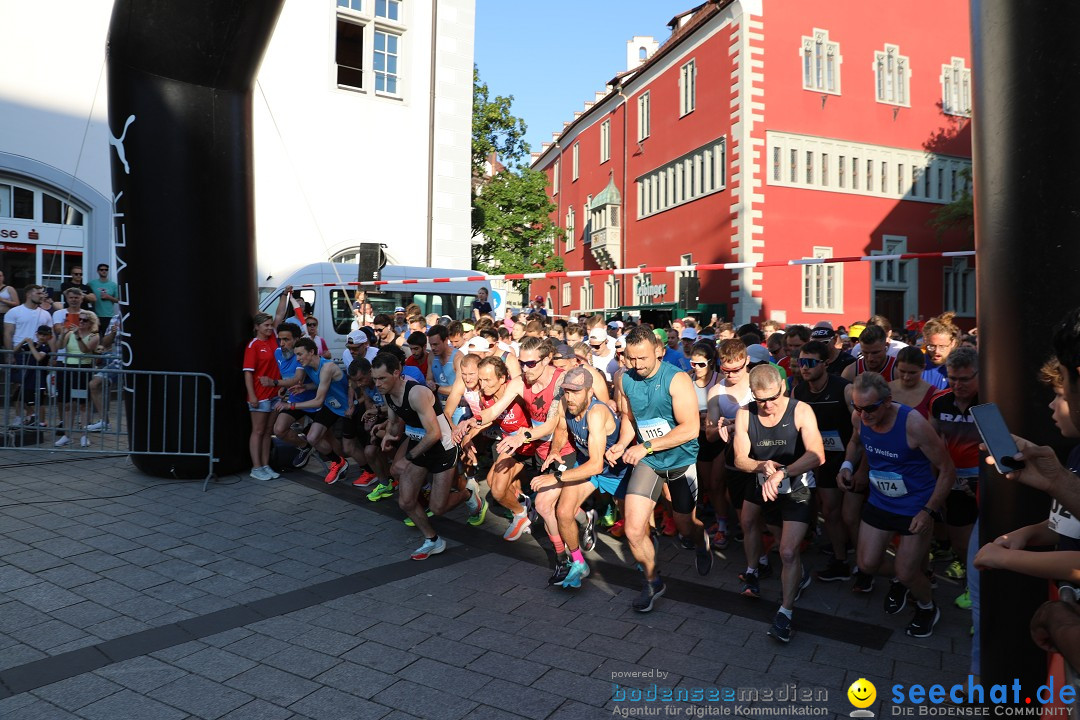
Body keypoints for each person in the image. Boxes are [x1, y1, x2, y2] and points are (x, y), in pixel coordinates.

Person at [838, 371, 955, 638]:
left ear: (888, 401)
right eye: (858, 407)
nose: (864, 415)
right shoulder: (860, 417)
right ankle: (907, 578)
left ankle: (926, 607)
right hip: (880, 500)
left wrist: (929, 511)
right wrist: (847, 465)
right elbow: (856, 442)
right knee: (866, 564)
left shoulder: (913, 424)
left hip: (915, 505)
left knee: (906, 571)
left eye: (870, 408)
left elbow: (947, 470)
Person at [607, 326, 708, 613]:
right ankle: (653, 581)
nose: (637, 365)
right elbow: (629, 419)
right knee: (634, 528)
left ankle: (701, 541)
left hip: (680, 459)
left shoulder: (677, 380)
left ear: (659, 352)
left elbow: (691, 429)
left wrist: (645, 446)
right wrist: (623, 443)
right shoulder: (624, 379)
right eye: (631, 359)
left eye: (643, 359)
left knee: (685, 525)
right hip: (649, 461)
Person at [733, 363, 825, 642]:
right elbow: (740, 458)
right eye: (760, 400)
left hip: (796, 486)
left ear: (782, 388)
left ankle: (785, 612)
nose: (767, 405)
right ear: (752, 394)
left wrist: (784, 472)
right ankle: (759, 571)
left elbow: (817, 455)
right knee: (751, 523)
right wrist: (761, 466)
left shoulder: (800, 410)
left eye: (773, 399)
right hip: (764, 481)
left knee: (786, 552)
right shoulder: (744, 414)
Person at [373, 351, 480, 560]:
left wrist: (409, 457)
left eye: (382, 378)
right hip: (420, 443)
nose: (377, 383)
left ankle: (467, 494)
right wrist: (387, 435)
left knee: (438, 508)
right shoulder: (387, 392)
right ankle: (433, 540)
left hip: (442, 447)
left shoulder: (416, 393)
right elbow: (394, 421)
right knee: (405, 502)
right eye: (375, 378)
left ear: (396, 373)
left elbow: (434, 434)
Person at [530, 366, 631, 588]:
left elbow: (596, 465)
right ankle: (578, 563)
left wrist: (557, 477)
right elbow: (561, 430)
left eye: (576, 392)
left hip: (615, 471)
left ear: (589, 392)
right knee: (563, 512)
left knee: (636, 530)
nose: (570, 397)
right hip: (588, 467)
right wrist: (555, 450)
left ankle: (649, 560)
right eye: (566, 391)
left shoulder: (596, 413)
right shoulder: (566, 404)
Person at [793, 340, 855, 583]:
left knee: (849, 515)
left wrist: (855, 462)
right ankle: (841, 560)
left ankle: (860, 564)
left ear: (825, 363)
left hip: (848, 457)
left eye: (809, 363)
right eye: (800, 362)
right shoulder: (798, 391)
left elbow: (861, 428)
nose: (804, 368)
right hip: (818, 459)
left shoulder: (844, 389)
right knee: (830, 512)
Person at [929, 346, 981, 605]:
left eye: (965, 379)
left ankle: (985, 589)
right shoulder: (939, 401)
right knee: (960, 541)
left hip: (987, 482)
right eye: (952, 378)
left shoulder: (991, 401)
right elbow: (931, 442)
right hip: (953, 480)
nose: (957, 384)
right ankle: (974, 584)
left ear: (979, 375)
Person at [261, 324, 319, 470]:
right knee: (279, 430)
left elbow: (297, 379)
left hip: (314, 402)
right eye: (280, 340)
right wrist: (282, 386)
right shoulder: (277, 353)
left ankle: (339, 463)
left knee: (325, 442)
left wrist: (274, 383)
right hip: (295, 401)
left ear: (297, 339)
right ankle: (305, 446)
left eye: (286, 340)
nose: (282, 344)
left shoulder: (301, 355)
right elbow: (285, 375)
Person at [689, 341, 727, 549]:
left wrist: (706, 417)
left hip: (719, 438)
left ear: (711, 363)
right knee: (708, 485)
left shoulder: (719, 380)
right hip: (699, 438)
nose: (696, 368)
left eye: (701, 364)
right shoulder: (687, 379)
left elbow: (725, 410)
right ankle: (720, 521)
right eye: (693, 363)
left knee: (716, 483)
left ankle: (723, 527)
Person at [3, 285, 53, 423]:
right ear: (29, 295)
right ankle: (20, 416)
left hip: (38, 353)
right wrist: (9, 353)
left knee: (34, 387)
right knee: (18, 385)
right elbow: (8, 333)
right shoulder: (14, 312)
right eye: (39, 293)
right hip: (20, 353)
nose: (42, 295)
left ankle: (32, 415)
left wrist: (53, 355)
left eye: (43, 293)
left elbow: (51, 336)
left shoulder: (45, 314)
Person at [243, 311, 283, 480]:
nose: (269, 327)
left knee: (268, 431)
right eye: (265, 325)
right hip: (261, 395)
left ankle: (266, 465)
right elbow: (247, 374)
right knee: (258, 431)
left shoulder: (273, 338)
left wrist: (284, 296)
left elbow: (280, 314)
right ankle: (256, 467)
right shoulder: (253, 345)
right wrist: (252, 396)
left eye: (270, 324)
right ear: (256, 327)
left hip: (275, 393)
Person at [56, 310, 100, 447]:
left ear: (91, 323)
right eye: (79, 319)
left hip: (83, 371)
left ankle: (84, 435)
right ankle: (67, 435)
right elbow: (60, 347)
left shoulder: (94, 336)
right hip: (69, 369)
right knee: (68, 404)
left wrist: (78, 336)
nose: (80, 322)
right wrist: (62, 334)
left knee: (82, 404)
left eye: (84, 320)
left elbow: (85, 350)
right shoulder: (70, 333)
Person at [889, 346, 937, 418]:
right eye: (902, 371)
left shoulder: (933, 395)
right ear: (896, 367)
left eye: (912, 373)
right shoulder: (886, 390)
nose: (906, 377)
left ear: (923, 368)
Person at [921, 313, 961, 390]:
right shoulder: (917, 366)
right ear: (925, 341)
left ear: (953, 343)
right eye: (932, 346)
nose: (936, 351)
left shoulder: (963, 367)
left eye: (942, 346)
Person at [88, 264, 119, 331]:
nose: (104, 271)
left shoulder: (113, 285)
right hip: (95, 315)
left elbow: (118, 300)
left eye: (106, 270)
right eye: (101, 270)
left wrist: (109, 297)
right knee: (95, 337)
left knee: (107, 337)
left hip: (108, 316)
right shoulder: (91, 284)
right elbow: (86, 296)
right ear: (98, 271)